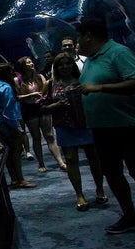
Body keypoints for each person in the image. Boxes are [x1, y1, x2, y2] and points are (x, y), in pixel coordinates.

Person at [77, 18, 135, 234]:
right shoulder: (89, 61)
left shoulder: (118, 52)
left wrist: (100, 88)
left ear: (88, 35)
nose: (78, 41)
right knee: (113, 173)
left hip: (127, 125)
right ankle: (130, 216)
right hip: (102, 128)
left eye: (80, 37)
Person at [41, 53, 106, 211]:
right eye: (61, 64)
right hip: (64, 126)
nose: (65, 67)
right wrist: (56, 106)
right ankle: (79, 195)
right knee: (70, 159)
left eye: (68, 63)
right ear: (56, 67)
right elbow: (42, 106)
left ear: (73, 65)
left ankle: (100, 189)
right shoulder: (51, 84)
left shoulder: (83, 80)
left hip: (87, 124)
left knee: (94, 159)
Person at [0, 63, 36, 189]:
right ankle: (21, 179)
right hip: (9, 123)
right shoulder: (7, 88)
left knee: (8, 153)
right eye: (10, 72)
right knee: (16, 153)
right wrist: (17, 127)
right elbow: (9, 111)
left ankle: (14, 179)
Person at [16, 56, 67, 173]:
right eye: (28, 62)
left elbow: (44, 91)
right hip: (29, 110)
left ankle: (60, 162)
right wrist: (30, 96)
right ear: (23, 66)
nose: (31, 63)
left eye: (31, 61)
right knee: (36, 137)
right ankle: (41, 162)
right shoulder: (18, 80)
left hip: (42, 107)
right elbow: (17, 97)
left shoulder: (40, 77)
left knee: (49, 135)